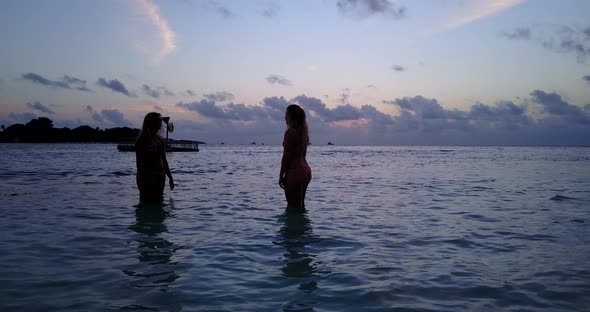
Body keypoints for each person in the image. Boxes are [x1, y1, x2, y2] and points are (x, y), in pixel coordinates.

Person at [135, 112, 174, 203]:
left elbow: (164, 160)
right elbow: (139, 162)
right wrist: (143, 180)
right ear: (151, 123)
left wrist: (170, 177)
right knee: (145, 203)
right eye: (159, 121)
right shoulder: (142, 140)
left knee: (159, 203)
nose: (161, 124)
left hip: (160, 177)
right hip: (146, 178)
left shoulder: (160, 140)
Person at [279, 104, 311, 210]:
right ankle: (303, 226)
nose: (285, 117)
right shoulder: (304, 133)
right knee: (301, 206)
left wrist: (281, 175)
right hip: (306, 170)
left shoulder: (289, 133)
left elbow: (286, 157)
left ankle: (293, 227)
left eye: (286, 114)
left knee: (292, 208)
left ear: (291, 116)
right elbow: (303, 154)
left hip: (295, 171)